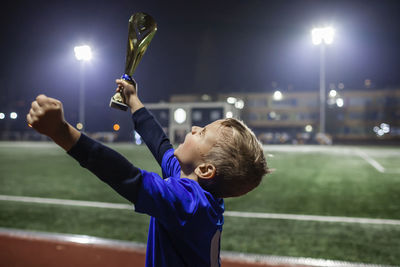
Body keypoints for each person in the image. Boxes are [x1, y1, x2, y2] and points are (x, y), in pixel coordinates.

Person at [27, 77, 269, 267]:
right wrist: (133, 99)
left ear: (205, 169)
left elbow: (128, 178)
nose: (195, 128)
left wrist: (61, 132)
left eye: (203, 133)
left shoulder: (189, 203)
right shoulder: (195, 185)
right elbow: (159, 142)